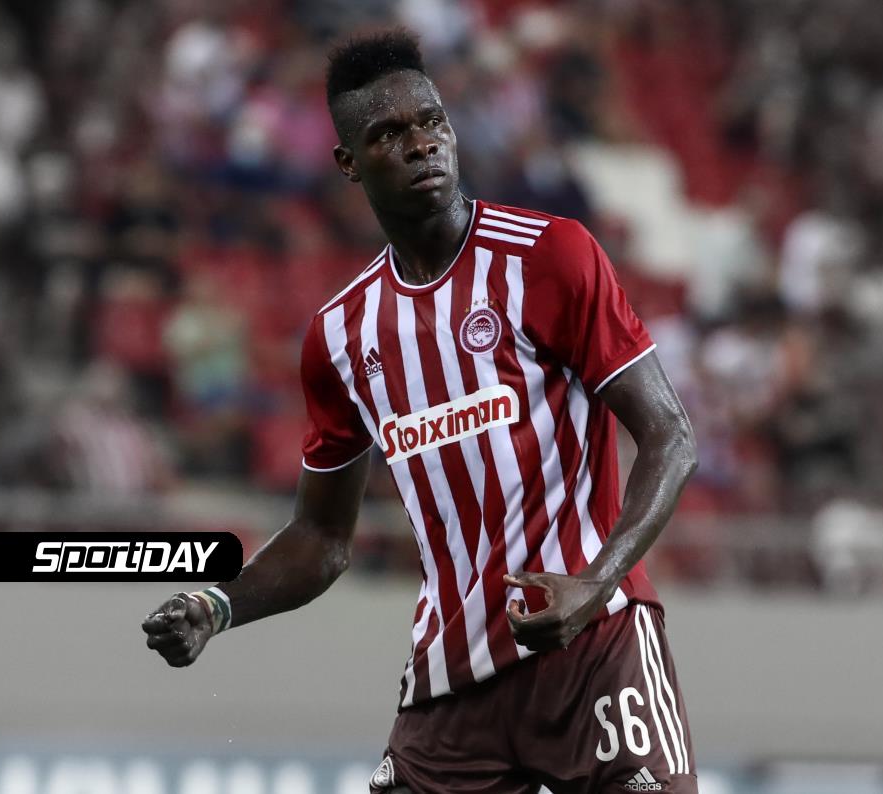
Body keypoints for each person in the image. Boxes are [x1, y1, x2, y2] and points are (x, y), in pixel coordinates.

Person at [141, 29, 699, 794]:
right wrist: (217, 605)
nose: (420, 144)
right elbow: (320, 538)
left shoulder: (548, 257)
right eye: (388, 133)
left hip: (595, 643)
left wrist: (596, 582)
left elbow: (670, 436)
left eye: (432, 121)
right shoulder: (341, 336)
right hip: (453, 684)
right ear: (348, 163)